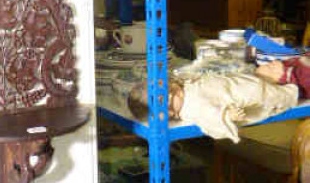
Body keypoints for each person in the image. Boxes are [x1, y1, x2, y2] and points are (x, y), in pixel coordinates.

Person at [127, 68, 299, 142]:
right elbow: (210, 121)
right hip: (246, 97)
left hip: (235, 84)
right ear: (170, 113)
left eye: (171, 87)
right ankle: (294, 91)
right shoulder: (193, 109)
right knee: (274, 96)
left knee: (266, 82)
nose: (175, 91)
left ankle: (290, 82)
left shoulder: (182, 90)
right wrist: (227, 116)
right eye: (170, 98)